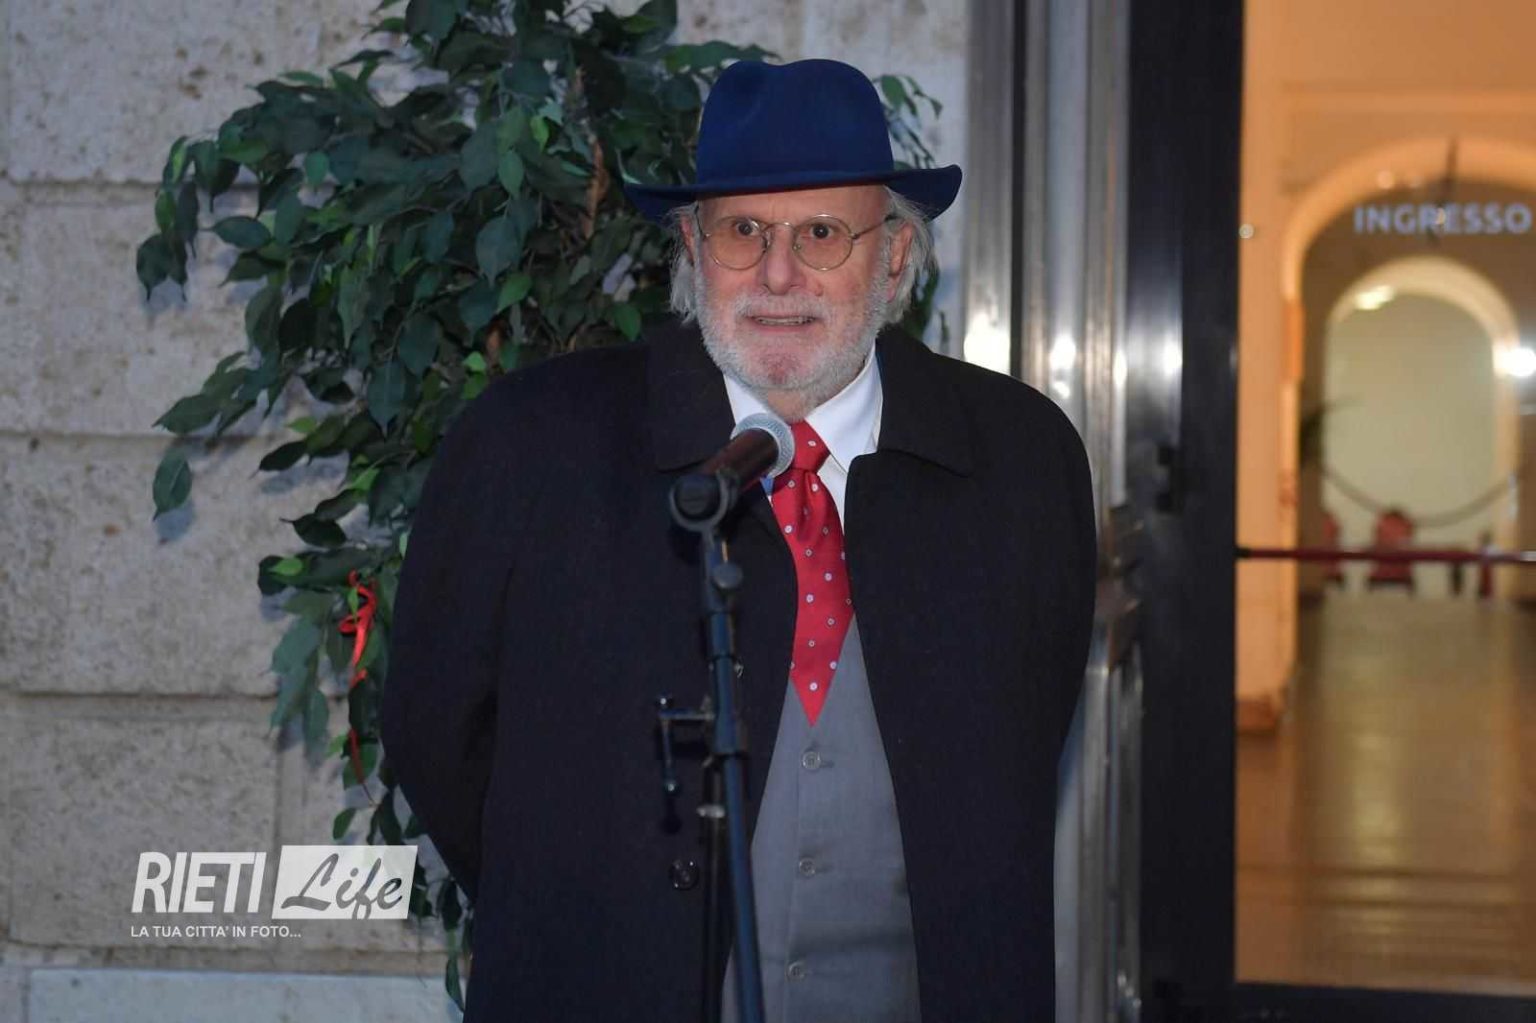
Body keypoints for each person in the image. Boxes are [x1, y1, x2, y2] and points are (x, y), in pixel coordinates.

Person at [381, 58, 1097, 1023]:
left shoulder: (1019, 458)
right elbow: (437, 733)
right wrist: (580, 905)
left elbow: (1025, 742)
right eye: (742, 231)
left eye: (821, 233)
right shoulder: (529, 445)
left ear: (894, 258)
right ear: (691, 245)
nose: (777, 273)